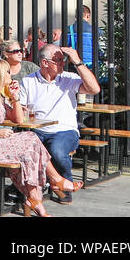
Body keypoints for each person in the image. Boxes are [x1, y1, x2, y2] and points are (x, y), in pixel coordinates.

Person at [0, 59, 79, 216]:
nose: (11, 75)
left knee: (28, 152)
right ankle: (53, 181)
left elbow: (17, 119)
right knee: (30, 139)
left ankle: (36, 200)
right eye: (8, 72)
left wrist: (15, 97)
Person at [18, 44, 98, 203]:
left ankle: (62, 185)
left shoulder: (69, 78)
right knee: (24, 148)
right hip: (37, 130)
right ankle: (31, 188)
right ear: (45, 63)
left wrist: (77, 61)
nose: (63, 63)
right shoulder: (28, 81)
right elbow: (21, 109)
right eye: (58, 60)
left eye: (64, 60)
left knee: (57, 151)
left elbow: (94, 89)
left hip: (64, 130)